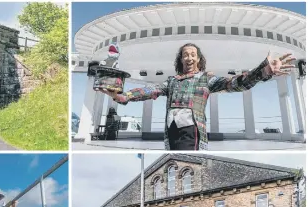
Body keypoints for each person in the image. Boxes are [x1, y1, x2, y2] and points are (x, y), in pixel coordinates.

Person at [97, 43, 295, 150]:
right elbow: (150, 90)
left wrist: (263, 71)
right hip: (171, 132)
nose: (189, 57)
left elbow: (235, 83)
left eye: (193, 54)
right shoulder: (172, 81)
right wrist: (123, 96)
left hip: (192, 132)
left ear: (198, 59)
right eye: (185, 54)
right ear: (181, 59)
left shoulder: (206, 79)